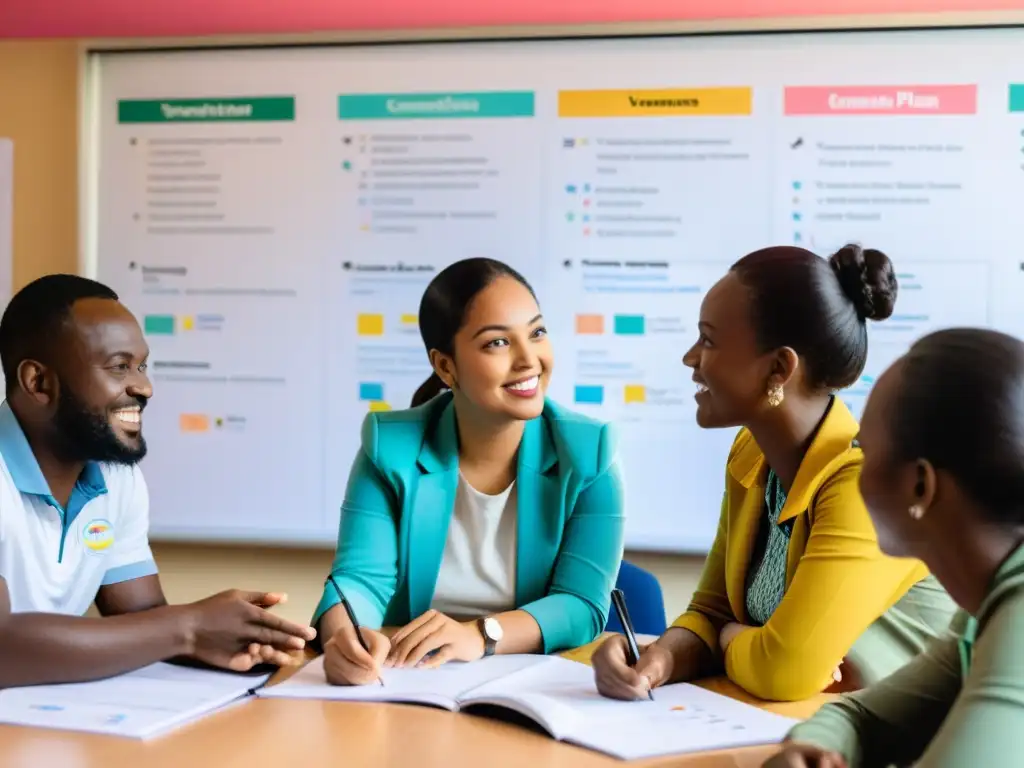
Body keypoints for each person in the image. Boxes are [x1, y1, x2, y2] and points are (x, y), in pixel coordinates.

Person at [592, 244, 957, 703]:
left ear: (780, 368)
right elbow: (712, 609)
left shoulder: (860, 486)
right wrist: (660, 658)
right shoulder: (752, 452)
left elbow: (783, 671)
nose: (690, 357)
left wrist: (724, 638)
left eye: (709, 340)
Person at [316, 257, 625, 685]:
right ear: (446, 367)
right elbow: (359, 581)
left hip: (529, 686)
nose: (528, 360)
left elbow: (579, 605)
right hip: (412, 682)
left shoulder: (589, 452)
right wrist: (344, 640)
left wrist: (480, 634)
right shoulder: (390, 448)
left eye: (536, 333)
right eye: (497, 343)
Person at [0, 274, 316, 689]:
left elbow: (142, 623)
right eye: (119, 367)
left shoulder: (116, 478)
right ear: (39, 382)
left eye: (142, 366)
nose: (144, 386)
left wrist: (227, 636)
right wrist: (189, 626)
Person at [764, 328, 1024, 768]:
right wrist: (806, 750)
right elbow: (859, 716)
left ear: (920, 485)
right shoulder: (982, 611)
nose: (852, 466)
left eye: (862, 448)